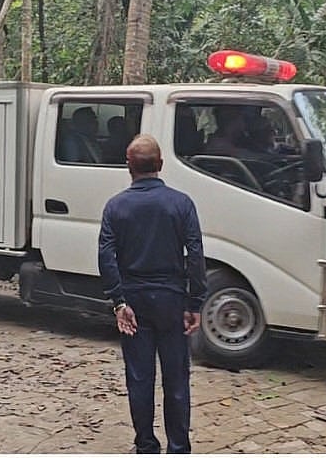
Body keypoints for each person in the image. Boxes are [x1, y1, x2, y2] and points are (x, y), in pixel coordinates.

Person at [97, 134, 206, 454]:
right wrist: (195, 301)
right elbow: (196, 255)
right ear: (160, 164)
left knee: (139, 377)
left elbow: (106, 257)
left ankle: (145, 444)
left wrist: (118, 301)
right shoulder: (181, 203)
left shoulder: (115, 206)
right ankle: (178, 446)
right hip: (171, 298)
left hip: (134, 299)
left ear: (128, 166)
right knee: (176, 378)